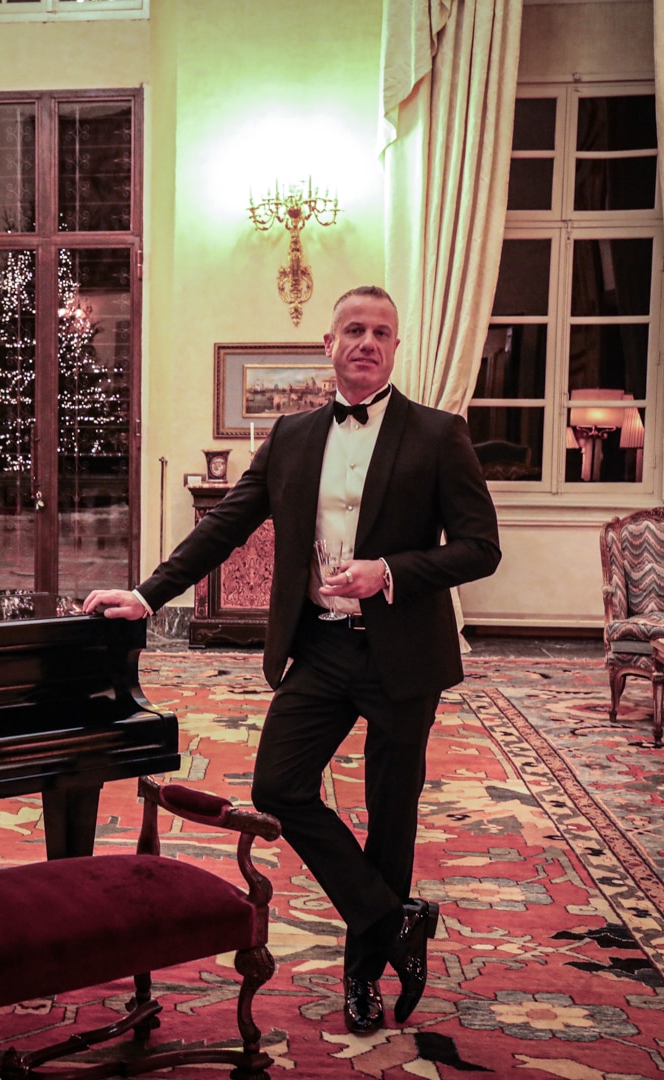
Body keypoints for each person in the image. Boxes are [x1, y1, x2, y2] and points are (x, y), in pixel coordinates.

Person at [83, 286, 500, 1034]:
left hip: (405, 657)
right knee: (279, 785)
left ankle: (362, 979)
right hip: (323, 648)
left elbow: (481, 548)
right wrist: (148, 596)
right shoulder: (293, 435)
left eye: (381, 332)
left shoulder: (440, 435)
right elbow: (225, 528)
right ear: (329, 345)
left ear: (396, 349)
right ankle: (392, 917)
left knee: (391, 819)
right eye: (353, 330)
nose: (367, 342)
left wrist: (392, 572)